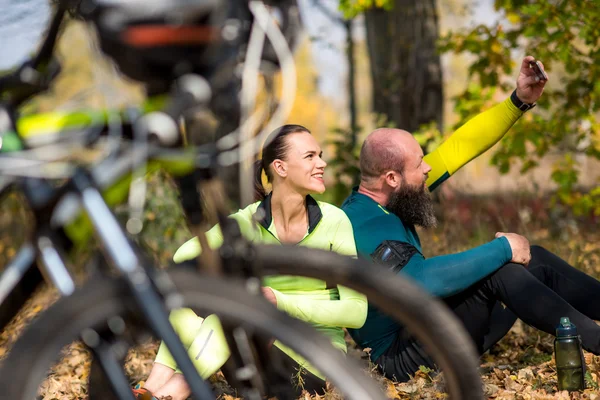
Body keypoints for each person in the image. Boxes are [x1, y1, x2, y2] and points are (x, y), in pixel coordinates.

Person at [342, 55, 600, 382]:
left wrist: (518, 101)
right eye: (419, 163)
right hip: (402, 359)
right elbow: (421, 281)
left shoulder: (391, 193)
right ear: (391, 177)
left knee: (535, 260)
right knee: (501, 270)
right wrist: (502, 249)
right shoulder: (361, 223)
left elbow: (459, 148)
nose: (428, 168)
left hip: (426, 330)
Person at [134, 124, 367, 400]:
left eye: (320, 155)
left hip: (310, 364)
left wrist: (280, 302)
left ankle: (168, 394)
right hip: (255, 352)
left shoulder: (334, 221)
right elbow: (184, 255)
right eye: (310, 157)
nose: (322, 163)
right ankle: (152, 387)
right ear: (280, 168)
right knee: (185, 310)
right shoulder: (247, 221)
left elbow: (356, 311)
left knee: (234, 313)